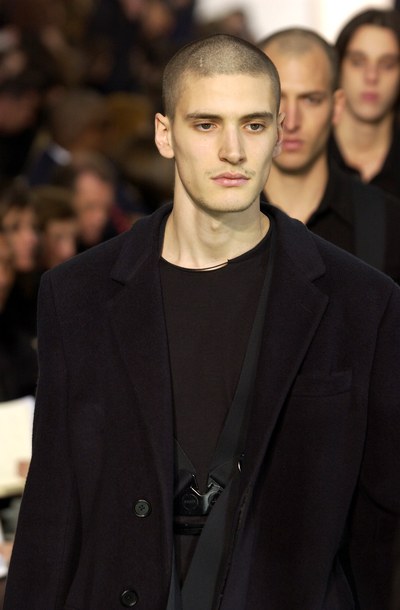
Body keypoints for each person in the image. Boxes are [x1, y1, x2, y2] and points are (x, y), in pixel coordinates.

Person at [3, 33, 400, 610]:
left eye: (254, 125)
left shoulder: (361, 302)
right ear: (165, 134)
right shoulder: (78, 295)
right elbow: (52, 514)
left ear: (278, 131)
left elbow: (381, 527)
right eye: (207, 124)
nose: (233, 150)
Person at [260, 27, 400, 283]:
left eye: (310, 100)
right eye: (277, 99)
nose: (291, 121)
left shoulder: (388, 223)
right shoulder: (215, 220)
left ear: (337, 106)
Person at [329, 8, 400, 199]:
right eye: (358, 62)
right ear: (338, 67)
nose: (371, 76)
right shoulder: (308, 153)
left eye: (387, 64)